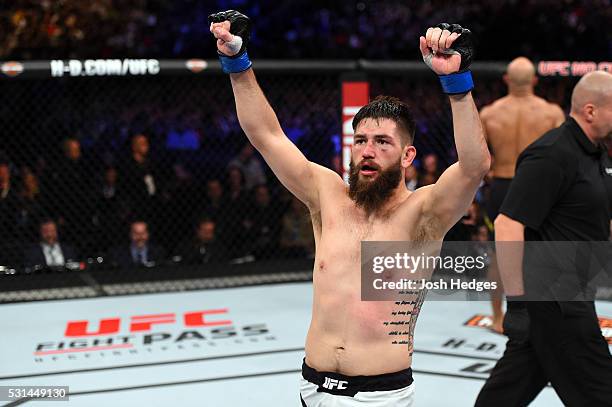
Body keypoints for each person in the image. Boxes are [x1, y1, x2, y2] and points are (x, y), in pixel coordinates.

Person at [210, 12, 489, 406]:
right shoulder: (327, 195)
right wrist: (236, 61)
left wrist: (456, 85)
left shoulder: (425, 212)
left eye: (382, 142)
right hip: (312, 388)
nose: (368, 151)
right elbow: (266, 135)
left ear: (408, 155)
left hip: (381, 396)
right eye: (360, 141)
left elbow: (475, 167)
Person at [475, 71, 612, 406]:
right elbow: (508, 225)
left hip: (569, 296)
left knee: (503, 396)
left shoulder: (596, 155)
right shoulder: (552, 153)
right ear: (590, 111)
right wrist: (518, 303)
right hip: (556, 302)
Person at [479, 57, 565, 333]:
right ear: (535, 81)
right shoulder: (551, 114)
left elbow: (478, 162)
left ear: (506, 79)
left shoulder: (489, 114)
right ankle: (545, 315)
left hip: (502, 187)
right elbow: (563, 160)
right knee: (543, 252)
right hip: (538, 189)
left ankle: (497, 317)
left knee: (498, 253)